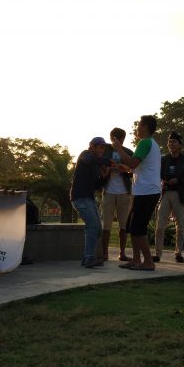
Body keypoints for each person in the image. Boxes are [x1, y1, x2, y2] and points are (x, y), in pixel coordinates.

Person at [111, 115, 161, 271]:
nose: (137, 128)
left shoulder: (145, 142)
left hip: (147, 192)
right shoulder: (152, 144)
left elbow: (133, 162)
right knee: (131, 227)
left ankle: (148, 262)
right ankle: (136, 260)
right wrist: (126, 169)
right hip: (144, 191)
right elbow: (137, 167)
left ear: (145, 127)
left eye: (139, 124)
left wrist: (119, 148)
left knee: (138, 228)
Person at [154, 132, 184, 263]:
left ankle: (178, 253)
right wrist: (162, 181)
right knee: (160, 225)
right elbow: (156, 174)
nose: (171, 144)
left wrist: (178, 180)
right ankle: (157, 254)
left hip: (180, 194)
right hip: (165, 193)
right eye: (169, 142)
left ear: (180, 145)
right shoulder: (163, 160)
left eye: (174, 142)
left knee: (180, 225)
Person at [70, 137, 112, 268]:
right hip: (80, 198)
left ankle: (87, 258)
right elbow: (91, 160)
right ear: (91, 146)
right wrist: (111, 162)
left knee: (97, 228)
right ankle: (89, 258)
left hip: (88, 198)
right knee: (93, 226)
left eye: (104, 148)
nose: (102, 150)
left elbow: (95, 185)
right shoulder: (85, 155)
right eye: (100, 147)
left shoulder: (95, 165)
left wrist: (104, 177)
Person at [100, 127, 134, 262]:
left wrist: (125, 169)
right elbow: (99, 166)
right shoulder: (104, 151)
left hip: (124, 192)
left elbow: (134, 171)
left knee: (123, 225)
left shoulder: (128, 152)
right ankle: (104, 253)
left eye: (121, 139)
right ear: (111, 138)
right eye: (116, 139)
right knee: (106, 225)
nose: (119, 142)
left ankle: (122, 253)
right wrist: (109, 168)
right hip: (108, 191)